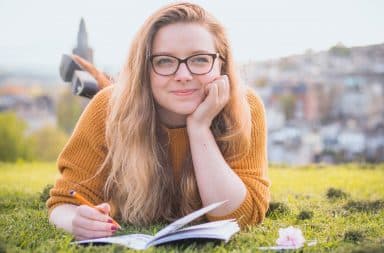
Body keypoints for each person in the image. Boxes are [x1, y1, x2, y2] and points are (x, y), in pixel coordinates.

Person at [47, 2, 270, 240]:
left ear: (221, 63)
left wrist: (199, 128)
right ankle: (96, 76)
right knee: (113, 95)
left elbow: (243, 216)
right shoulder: (107, 107)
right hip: (127, 104)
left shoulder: (245, 106)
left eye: (200, 59)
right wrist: (76, 221)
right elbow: (64, 202)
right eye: (164, 61)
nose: (183, 76)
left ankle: (96, 74)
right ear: (145, 67)